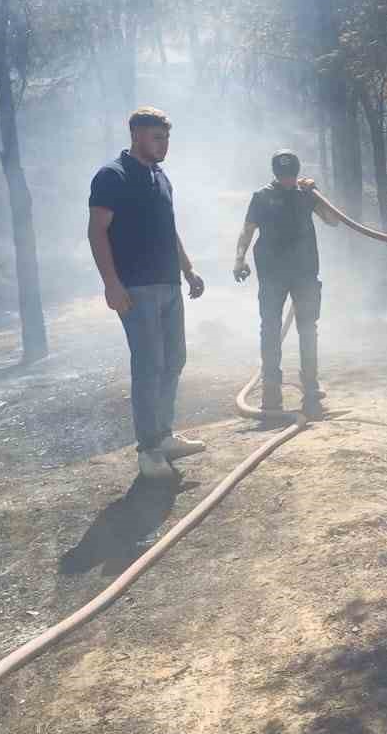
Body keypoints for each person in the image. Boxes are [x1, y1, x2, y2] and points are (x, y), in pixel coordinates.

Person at [88, 107, 207, 481]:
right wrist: (111, 284)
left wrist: (188, 269)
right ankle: (148, 450)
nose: (164, 144)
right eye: (157, 137)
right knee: (149, 365)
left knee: (174, 359)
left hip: (168, 282)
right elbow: (96, 232)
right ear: (137, 135)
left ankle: (165, 434)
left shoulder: (160, 176)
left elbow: (168, 229)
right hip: (135, 287)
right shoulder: (113, 176)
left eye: (167, 137)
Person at [233, 150, 338, 419]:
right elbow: (247, 229)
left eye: (291, 174)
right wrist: (239, 259)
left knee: (308, 329)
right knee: (270, 328)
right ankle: (271, 390)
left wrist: (317, 192)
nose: (288, 179)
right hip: (272, 274)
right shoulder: (262, 197)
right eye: (283, 175)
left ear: (297, 172)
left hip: (304, 272)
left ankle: (311, 388)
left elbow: (333, 220)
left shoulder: (307, 195)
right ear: (275, 174)